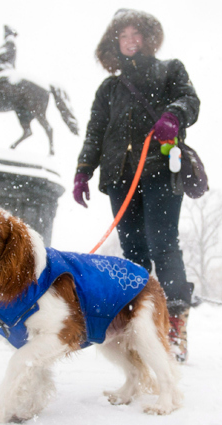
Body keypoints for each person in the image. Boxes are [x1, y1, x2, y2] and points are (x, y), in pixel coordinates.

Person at [73, 9, 200, 362]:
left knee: (164, 246)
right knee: (134, 253)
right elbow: (95, 132)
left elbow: (190, 101)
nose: (130, 41)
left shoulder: (169, 70)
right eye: (124, 36)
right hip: (119, 176)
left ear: (147, 38)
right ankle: (142, 327)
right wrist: (83, 170)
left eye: (136, 35)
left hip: (160, 169)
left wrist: (173, 116)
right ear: (117, 42)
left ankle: (175, 328)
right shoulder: (109, 88)